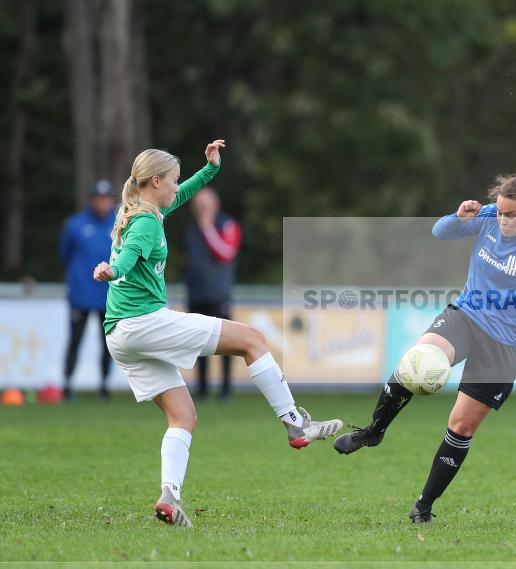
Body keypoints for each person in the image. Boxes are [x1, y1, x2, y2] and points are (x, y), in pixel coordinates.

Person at [333, 174, 516, 522]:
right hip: (467, 315)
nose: (502, 220)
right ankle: (373, 431)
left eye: (510, 214)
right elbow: (440, 232)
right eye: (499, 212)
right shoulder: (489, 215)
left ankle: (422, 507)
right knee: (418, 360)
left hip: (505, 342)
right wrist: (459, 217)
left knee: (461, 426)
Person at [93, 140, 343, 527]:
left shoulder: (146, 209)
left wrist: (210, 168)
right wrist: (112, 270)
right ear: (156, 181)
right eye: (173, 181)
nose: (179, 188)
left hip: (120, 335)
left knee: (183, 417)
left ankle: (169, 498)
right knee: (253, 340)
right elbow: (126, 261)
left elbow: (189, 190)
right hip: (143, 323)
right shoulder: (145, 222)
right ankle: (296, 423)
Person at [58, 179, 118, 401]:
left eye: (107, 199)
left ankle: (104, 385)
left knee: (108, 344)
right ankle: (67, 384)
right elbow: (64, 254)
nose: (103, 203)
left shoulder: (118, 224)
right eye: (99, 199)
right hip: (81, 296)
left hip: (108, 297)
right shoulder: (75, 224)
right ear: (93, 200)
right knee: (75, 341)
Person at [186, 186, 241, 401]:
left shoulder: (226, 224)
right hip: (196, 293)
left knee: (226, 342)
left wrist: (208, 229)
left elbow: (226, 253)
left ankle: (225, 389)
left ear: (215, 205)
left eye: (205, 204)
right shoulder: (192, 229)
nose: (201, 209)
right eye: (198, 205)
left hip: (219, 293)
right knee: (199, 344)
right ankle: (202, 388)